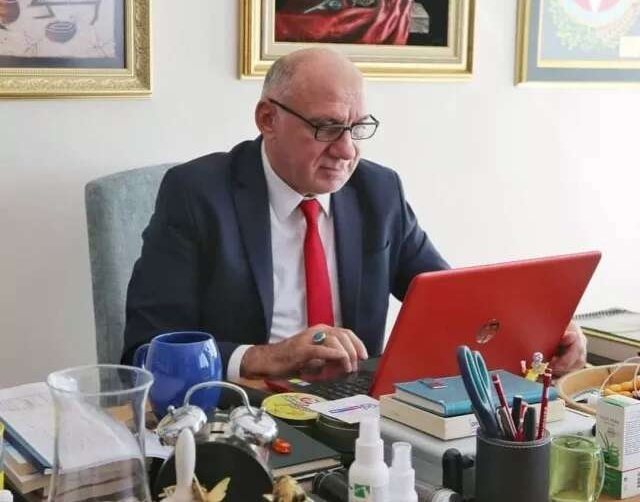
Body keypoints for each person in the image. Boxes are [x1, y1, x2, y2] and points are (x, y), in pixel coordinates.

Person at [122, 48, 586, 380]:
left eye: (357, 128)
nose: (346, 151)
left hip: (357, 410)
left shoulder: (377, 191)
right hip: (247, 409)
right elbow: (146, 350)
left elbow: (449, 303)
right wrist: (269, 356)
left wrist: (537, 334)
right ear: (267, 119)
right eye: (326, 128)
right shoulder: (197, 194)